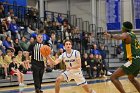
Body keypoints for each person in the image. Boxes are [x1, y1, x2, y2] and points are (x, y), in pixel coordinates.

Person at [104, 21, 140, 93]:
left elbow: (120, 36)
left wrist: (111, 36)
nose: (121, 28)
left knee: (113, 77)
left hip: (133, 61)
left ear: (124, 28)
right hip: (138, 60)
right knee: (131, 78)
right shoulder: (133, 34)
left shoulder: (126, 34)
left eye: (122, 27)